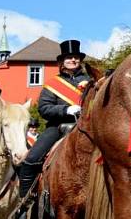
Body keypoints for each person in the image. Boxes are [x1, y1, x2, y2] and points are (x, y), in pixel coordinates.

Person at [18, 40, 90, 198]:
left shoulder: (90, 81)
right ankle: (25, 201)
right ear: (62, 62)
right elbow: (44, 109)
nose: (73, 60)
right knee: (31, 159)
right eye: (69, 57)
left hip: (86, 126)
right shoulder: (52, 84)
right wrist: (66, 110)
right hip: (58, 127)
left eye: (76, 57)